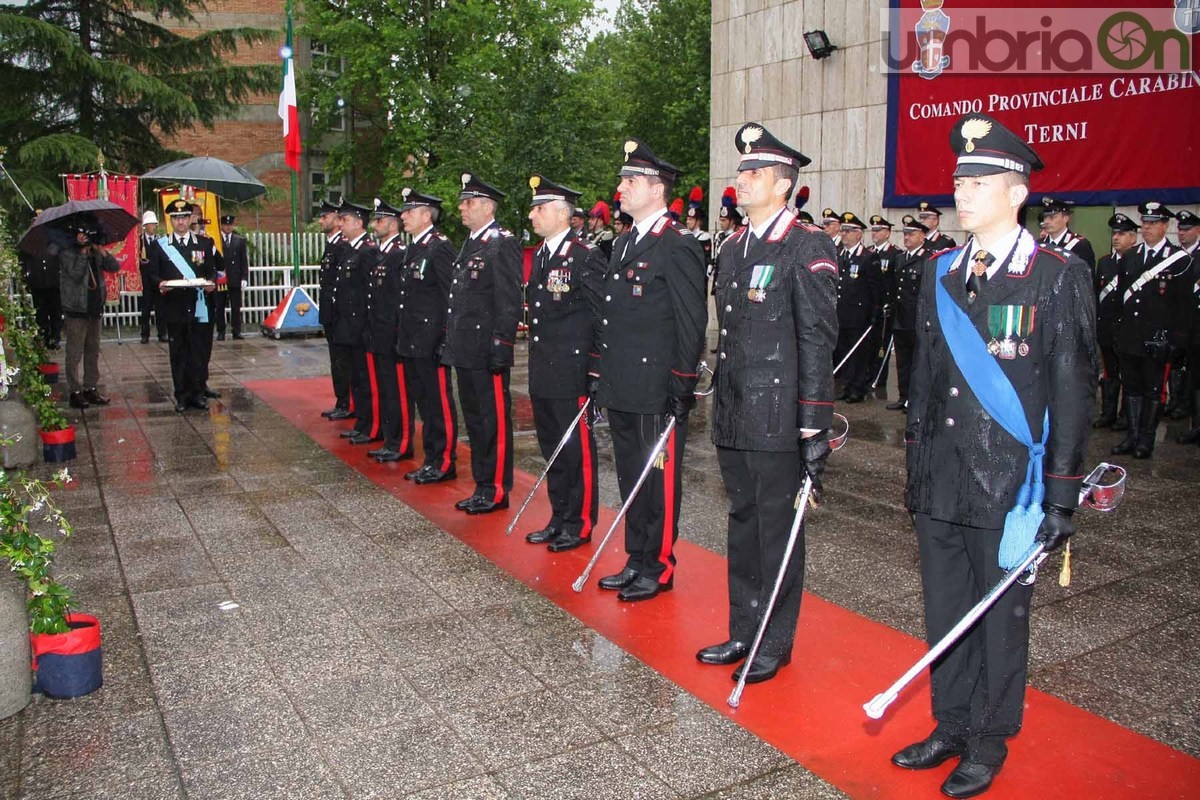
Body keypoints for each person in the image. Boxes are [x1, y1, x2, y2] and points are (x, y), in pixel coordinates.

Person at [898, 114, 1097, 799]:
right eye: (959, 178)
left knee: (1000, 618)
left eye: (978, 179)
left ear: (1016, 193)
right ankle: (949, 722)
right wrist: (915, 467)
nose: (963, 189)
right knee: (946, 608)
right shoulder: (940, 271)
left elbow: (1073, 392)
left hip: (1011, 485)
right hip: (943, 477)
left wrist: (1063, 496)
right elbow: (923, 381)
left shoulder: (1055, 276)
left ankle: (987, 739)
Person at [698, 122, 837, 684]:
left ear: (782, 185)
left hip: (779, 418)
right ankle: (742, 629)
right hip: (735, 410)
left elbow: (816, 339)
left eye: (753, 172)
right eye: (741, 170)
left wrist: (813, 425)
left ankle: (772, 643)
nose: (742, 179)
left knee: (777, 531)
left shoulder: (807, 246)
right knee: (742, 521)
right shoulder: (733, 247)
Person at [588, 138, 707, 602]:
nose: (620, 188)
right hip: (622, 383)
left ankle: (658, 564)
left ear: (657, 190)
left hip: (656, 385)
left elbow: (691, 321)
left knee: (657, 478)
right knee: (630, 476)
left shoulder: (677, 245)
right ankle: (635, 556)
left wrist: (681, 384)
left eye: (630, 181)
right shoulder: (622, 244)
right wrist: (603, 377)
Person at [523, 175, 605, 552]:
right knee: (552, 448)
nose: (532, 214)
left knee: (577, 451)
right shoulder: (540, 255)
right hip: (544, 369)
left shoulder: (584, 257)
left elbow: (601, 316)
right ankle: (559, 516)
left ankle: (580, 522)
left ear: (561, 212)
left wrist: (594, 369)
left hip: (572, 372)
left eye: (539, 208)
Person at [442, 173, 523, 514]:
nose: (462, 207)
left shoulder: (500, 242)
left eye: (469, 202)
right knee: (475, 420)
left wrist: (501, 346)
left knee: (493, 422)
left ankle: (496, 489)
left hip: (486, 350)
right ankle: (481, 485)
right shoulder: (472, 241)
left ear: (488, 206)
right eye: (463, 201)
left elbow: (508, 301)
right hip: (466, 349)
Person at [1110, 201, 1193, 459]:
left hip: (1158, 339)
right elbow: (1121, 298)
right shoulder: (1131, 256)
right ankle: (1132, 436)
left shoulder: (1180, 260)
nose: (1147, 228)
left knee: (1153, 390)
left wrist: (1176, 340)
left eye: (1153, 223)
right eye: (1145, 223)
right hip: (1130, 337)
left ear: (1165, 226)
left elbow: (1184, 305)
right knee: (1131, 387)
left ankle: (1146, 440)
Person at [397, 188, 459, 484]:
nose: (403, 216)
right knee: (424, 401)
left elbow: (451, 296)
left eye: (409, 211)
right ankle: (431, 459)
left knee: (438, 403)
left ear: (426, 215)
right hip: (413, 339)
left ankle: (444, 461)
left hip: (432, 340)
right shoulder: (414, 247)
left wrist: (446, 339)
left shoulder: (440, 247)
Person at [149, 199, 218, 413]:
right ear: (171, 221)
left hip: (198, 306)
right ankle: (181, 395)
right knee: (178, 353)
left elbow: (211, 271)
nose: (180, 222)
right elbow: (152, 273)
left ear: (190, 219)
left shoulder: (204, 244)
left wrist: (210, 283)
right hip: (174, 306)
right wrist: (160, 284)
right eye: (176, 218)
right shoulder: (160, 246)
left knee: (198, 351)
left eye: (184, 217)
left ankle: (197, 393)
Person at [363, 199, 413, 463]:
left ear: (393, 224)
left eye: (379, 220)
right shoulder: (382, 252)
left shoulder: (398, 253)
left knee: (397, 392)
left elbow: (398, 299)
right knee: (385, 389)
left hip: (392, 334)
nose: (374, 225)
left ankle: (401, 442)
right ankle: (390, 438)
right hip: (378, 332)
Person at [330, 201, 380, 445]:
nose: (340, 224)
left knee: (365, 378)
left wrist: (366, 326)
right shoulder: (349, 249)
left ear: (359, 223)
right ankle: (362, 423)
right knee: (356, 378)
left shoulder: (368, 251)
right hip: (348, 326)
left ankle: (370, 424)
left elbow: (370, 293)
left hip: (360, 327)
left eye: (345, 220)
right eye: (340, 220)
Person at [58, 218, 119, 408]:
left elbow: (114, 267)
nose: (85, 237)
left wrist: (102, 251)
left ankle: (90, 387)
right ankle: (74, 391)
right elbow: (75, 274)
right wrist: (82, 253)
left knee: (93, 350)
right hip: (76, 309)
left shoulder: (95, 251)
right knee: (74, 352)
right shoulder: (67, 252)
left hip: (94, 307)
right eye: (82, 233)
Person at [1093, 213, 1139, 429]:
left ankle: (1125, 417)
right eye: (1114, 234)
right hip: (1106, 327)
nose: (1116, 238)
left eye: (1122, 234)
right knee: (1110, 372)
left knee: (1129, 374)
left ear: (1133, 238)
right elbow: (1096, 293)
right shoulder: (1104, 262)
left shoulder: (1137, 261)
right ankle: (1108, 413)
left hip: (1128, 329)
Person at [833, 211, 883, 403]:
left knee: (858, 353)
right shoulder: (839, 255)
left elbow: (876, 289)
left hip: (860, 315)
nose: (843, 234)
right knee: (844, 350)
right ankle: (847, 385)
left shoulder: (868, 258)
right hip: (841, 313)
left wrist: (875, 312)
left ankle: (857, 387)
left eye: (848, 231)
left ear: (859, 234)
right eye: (842, 231)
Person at [887, 214, 933, 412]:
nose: (906, 238)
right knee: (903, 362)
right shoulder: (899, 259)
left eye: (911, 234)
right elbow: (893, 288)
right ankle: (903, 396)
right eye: (905, 234)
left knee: (918, 362)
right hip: (901, 318)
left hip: (918, 319)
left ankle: (916, 399)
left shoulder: (929, 259)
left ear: (922, 236)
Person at [317, 200, 352, 420]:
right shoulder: (332, 243)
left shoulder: (343, 244)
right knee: (336, 357)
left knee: (342, 358)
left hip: (340, 311)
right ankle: (341, 399)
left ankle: (346, 401)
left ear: (337, 218)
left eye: (324, 216)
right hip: (330, 309)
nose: (321, 221)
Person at [868, 214, 900, 398]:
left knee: (882, 343)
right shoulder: (869, 252)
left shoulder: (894, 254)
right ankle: (869, 375)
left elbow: (894, 283)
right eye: (873, 230)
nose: (875, 233)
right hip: (872, 306)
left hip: (887, 307)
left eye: (878, 230)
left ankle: (879, 378)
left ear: (887, 233)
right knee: (870, 344)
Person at [1175, 209, 1200, 444]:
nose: (1182, 233)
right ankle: (1188, 414)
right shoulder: (1175, 255)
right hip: (1185, 325)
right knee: (1191, 373)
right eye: (1180, 230)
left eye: (1187, 229)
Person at [20, 236, 62, 350]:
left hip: (54, 284)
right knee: (40, 313)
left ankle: (55, 338)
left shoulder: (55, 243)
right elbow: (23, 262)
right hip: (38, 284)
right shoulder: (29, 245)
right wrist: (26, 278)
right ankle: (43, 336)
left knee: (55, 312)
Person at [1038, 197, 1096, 271]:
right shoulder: (1037, 245)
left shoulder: (1080, 245)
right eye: (1045, 217)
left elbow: (1087, 278)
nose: (1047, 221)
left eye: (1053, 217)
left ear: (1066, 218)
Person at [216, 215, 248, 340]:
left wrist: (244, 277)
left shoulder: (239, 240)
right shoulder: (216, 240)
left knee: (236, 307)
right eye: (226, 225)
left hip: (235, 277)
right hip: (221, 278)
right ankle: (221, 331)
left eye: (230, 225)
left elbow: (243, 261)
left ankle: (236, 330)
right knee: (220, 306)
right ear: (222, 226)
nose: (228, 227)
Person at [138, 211, 167, 344]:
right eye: (151, 224)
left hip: (158, 278)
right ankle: (145, 334)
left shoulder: (161, 240)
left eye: (155, 224)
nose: (153, 227)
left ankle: (162, 333)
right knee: (146, 309)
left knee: (161, 309)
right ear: (145, 225)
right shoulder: (139, 241)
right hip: (145, 279)